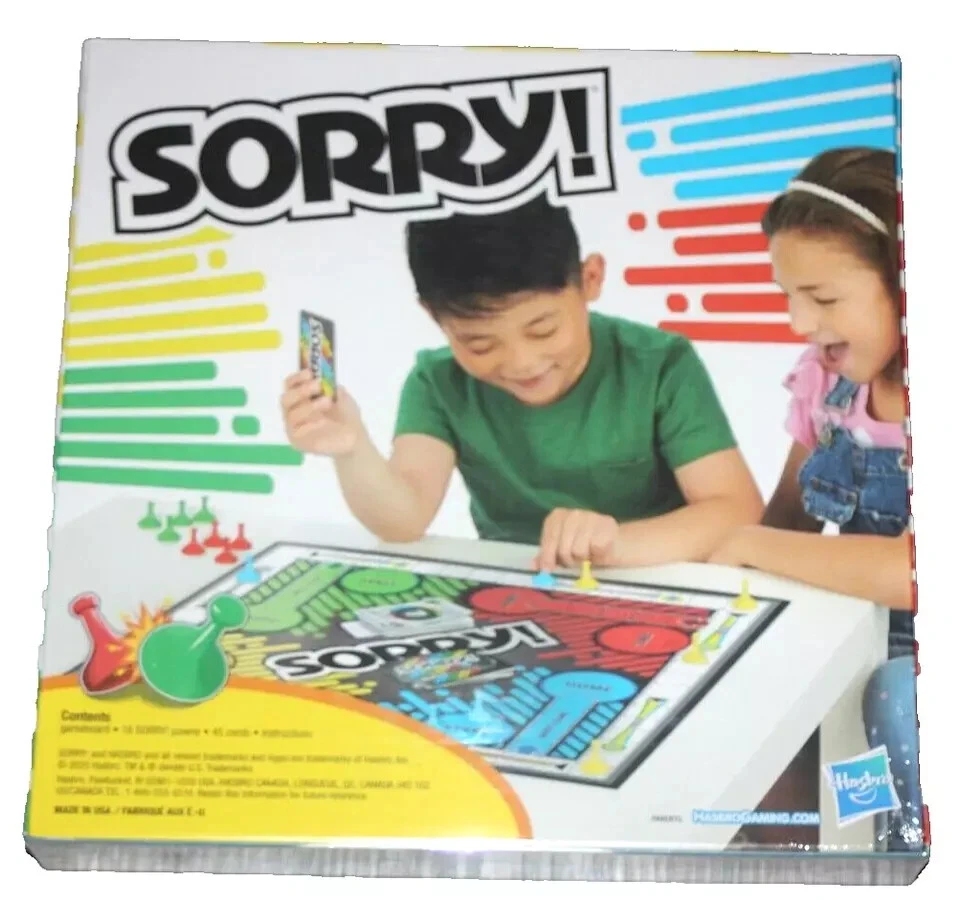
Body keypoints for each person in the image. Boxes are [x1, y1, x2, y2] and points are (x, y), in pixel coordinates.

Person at [281, 194, 762, 571]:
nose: (522, 363)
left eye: (543, 330)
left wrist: (615, 543)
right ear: (432, 316)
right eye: (479, 343)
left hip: (660, 578)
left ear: (590, 279)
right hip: (520, 589)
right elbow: (403, 522)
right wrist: (352, 450)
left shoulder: (658, 364)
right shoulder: (437, 382)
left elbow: (736, 509)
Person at [709, 148, 922, 851]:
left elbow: (913, 573)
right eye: (787, 296)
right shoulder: (826, 386)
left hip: (914, 658)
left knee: (896, 697)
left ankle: (905, 860)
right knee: (745, 686)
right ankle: (797, 850)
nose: (800, 321)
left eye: (824, 299)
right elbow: (788, 519)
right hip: (852, 630)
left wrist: (748, 544)